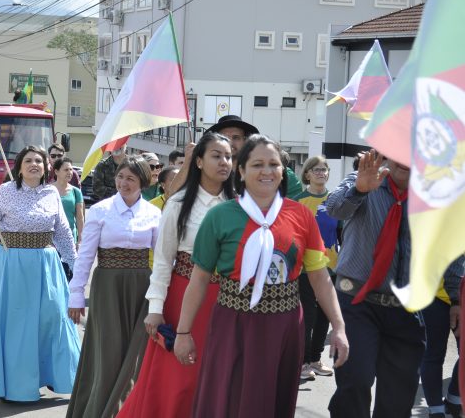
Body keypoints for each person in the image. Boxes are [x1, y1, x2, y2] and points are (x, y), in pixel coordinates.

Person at [175, 134, 348, 418]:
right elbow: (199, 279)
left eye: (273, 164)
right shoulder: (220, 216)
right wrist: (183, 333)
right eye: (257, 164)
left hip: (285, 327)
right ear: (241, 171)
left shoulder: (301, 215)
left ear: (283, 171)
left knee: (275, 401)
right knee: (229, 400)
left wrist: (339, 328)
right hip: (234, 325)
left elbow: (320, 277)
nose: (266, 171)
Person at [118, 132, 234, 418]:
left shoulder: (239, 204)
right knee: (179, 380)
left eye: (229, 156)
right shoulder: (179, 203)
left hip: (229, 301)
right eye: (216, 156)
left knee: (221, 377)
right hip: (183, 297)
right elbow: (162, 259)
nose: (224, 162)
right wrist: (155, 309)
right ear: (199, 161)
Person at [0, 145, 80, 402]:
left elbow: (63, 231)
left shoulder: (51, 193)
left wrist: (76, 266)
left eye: (39, 161)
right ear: (19, 167)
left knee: (54, 319)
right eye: (28, 160)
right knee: (18, 326)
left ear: (46, 167)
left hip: (47, 264)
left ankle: (55, 376)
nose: (34, 164)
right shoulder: (6, 191)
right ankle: (17, 387)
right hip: (12, 265)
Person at [326, 150, 423, 418]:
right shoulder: (364, 179)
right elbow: (334, 208)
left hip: (406, 308)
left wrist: (455, 299)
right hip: (357, 303)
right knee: (354, 383)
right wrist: (359, 190)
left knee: (398, 397)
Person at [66, 155, 161, 418]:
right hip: (107, 287)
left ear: (143, 181)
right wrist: (76, 295)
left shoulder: (154, 213)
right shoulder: (100, 210)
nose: (123, 183)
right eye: (120, 177)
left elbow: (164, 258)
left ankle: (128, 410)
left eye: (130, 178)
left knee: (136, 353)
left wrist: (162, 295)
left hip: (142, 288)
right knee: (108, 351)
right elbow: (85, 256)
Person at [171, 115, 302, 196]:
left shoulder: (272, 173)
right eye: (224, 137)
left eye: (236, 137)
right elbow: (172, 195)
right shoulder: (205, 172)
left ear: (245, 140)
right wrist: (188, 162)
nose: (230, 142)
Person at [294, 155, 341, 381]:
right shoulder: (298, 201)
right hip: (305, 268)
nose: (321, 173)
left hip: (331, 266)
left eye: (324, 169)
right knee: (308, 315)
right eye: (316, 170)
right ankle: (302, 362)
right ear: (307, 174)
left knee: (325, 314)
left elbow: (342, 233)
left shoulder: (335, 201)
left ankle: (315, 359)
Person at [420, 257, 464, 418]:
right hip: (434, 295)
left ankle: (453, 399)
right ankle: (436, 409)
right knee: (433, 354)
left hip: (462, 296)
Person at [52, 157, 84, 245]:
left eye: (71, 169)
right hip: (51, 238)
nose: (70, 172)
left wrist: (80, 240)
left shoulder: (76, 191)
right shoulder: (47, 190)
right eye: (66, 170)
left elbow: (80, 218)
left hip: (70, 237)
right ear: (56, 171)